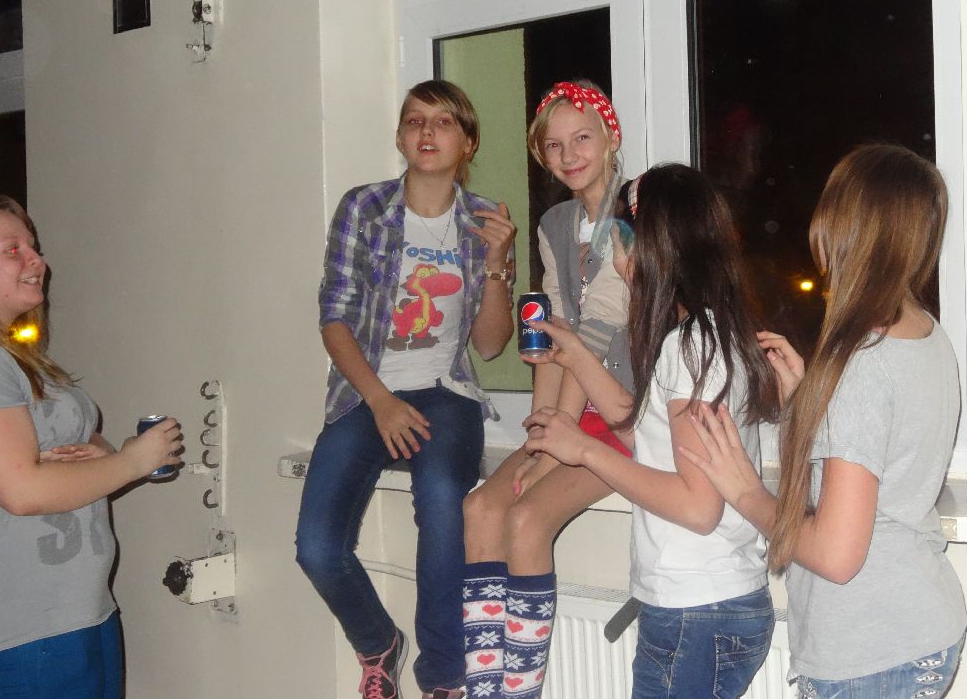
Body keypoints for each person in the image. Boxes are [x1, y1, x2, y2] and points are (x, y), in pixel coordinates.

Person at [685, 144, 967, 697]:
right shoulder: (925, 334)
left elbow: (836, 556)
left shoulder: (863, 366)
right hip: (915, 629)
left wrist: (745, 490)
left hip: (872, 651)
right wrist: (806, 404)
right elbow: (885, 457)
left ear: (843, 228)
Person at [521, 164, 781, 699]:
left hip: (695, 611)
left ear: (646, 249)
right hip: (714, 604)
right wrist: (578, 356)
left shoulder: (690, 347)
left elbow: (697, 507)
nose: (611, 257)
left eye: (616, 239)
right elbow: (650, 439)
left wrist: (585, 449)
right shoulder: (710, 334)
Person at [295, 79, 516, 699]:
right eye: (415, 120)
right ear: (399, 135)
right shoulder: (364, 208)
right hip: (365, 394)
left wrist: (497, 265)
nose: (426, 132)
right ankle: (378, 642)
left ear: (467, 142)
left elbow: (491, 344)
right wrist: (381, 401)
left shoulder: (485, 220)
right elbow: (334, 317)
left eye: (443, 122)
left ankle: (443, 677)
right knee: (317, 548)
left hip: (446, 393)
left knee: (443, 501)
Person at [0, 196, 183, 699]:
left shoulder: (14, 355)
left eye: (34, 246)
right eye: (13, 249)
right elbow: (22, 490)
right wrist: (133, 462)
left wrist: (109, 456)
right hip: (18, 618)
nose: (38, 260)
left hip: (74, 607)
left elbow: (71, 440)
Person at [460, 80, 632, 699]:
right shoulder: (556, 222)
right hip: (570, 407)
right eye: (554, 145)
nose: (569, 154)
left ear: (610, 138)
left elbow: (597, 331)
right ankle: (485, 687)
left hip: (625, 412)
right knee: (480, 507)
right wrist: (538, 436)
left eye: (582, 138)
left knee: (527, 516)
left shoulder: (635, 213)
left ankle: (520, 690)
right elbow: (553, 334)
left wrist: (556, 444)